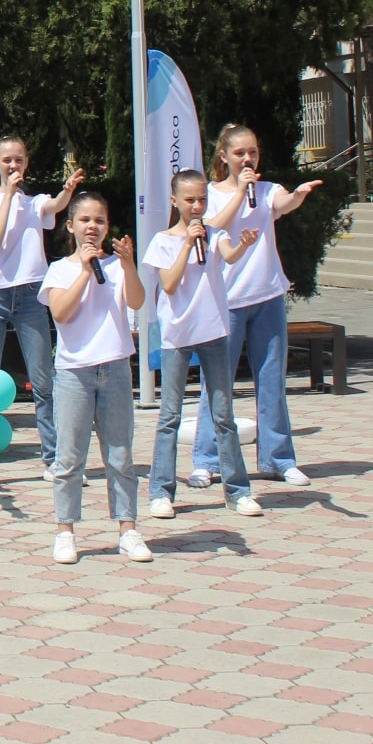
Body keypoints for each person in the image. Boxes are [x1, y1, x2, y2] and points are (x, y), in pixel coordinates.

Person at [189, 125, 324, 489]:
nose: (248, 159)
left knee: (271, 380)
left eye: (253, 152)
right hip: (227, 302)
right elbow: (210, 226)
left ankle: (278, 458)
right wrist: (240, 193)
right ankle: (207, 459)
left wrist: (297, 194)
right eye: (240, 153)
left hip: (267, 297)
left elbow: (283, 204)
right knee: (216, 385)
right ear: (224, 156)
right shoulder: (211, 194)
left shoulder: (266, 191)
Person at [142, 170, 264, 521]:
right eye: (190, 200)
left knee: (223, 414)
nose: (197, 207)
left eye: (202, 200)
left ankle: (237, 491)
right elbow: (168, 283)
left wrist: (243, 243)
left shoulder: (214, 233)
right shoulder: (163, 240)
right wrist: (185, 243)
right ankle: (161, 491)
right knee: (170, 415)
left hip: (213, 331)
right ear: (175, 201)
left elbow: (228, 255)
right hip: (177, 335)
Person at [0, 137, 81, 490]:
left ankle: (53, 457)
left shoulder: (35, 203)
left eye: (19, 160)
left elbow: (56, 205)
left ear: (26, 163)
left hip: (30, 292)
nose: (13, 166)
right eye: (6, 160)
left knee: (43, 379)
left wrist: (68, 191)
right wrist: (9, 196)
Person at [39, 191, 150, 565]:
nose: (93, 227)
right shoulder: (60, 269)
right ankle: (65, 531)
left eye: (99, 221)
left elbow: (136, 301)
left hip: (116, 367)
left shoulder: (117, 267)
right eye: (85, 220)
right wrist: (85, 272)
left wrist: (129, 264)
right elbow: (62, 312)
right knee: (70, 457)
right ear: (70, 226)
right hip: (74, 372)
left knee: (120, 454)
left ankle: (128, 528)